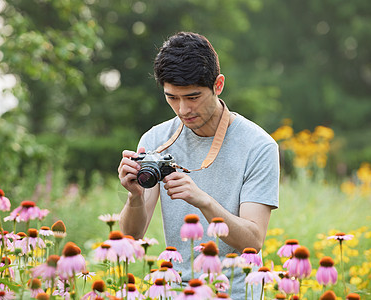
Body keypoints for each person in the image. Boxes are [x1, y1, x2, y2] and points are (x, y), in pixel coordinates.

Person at [118, 32, 279, 298]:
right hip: (173, 290)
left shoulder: (258, 146)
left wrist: (203, 201)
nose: (183, 110)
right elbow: (132, 237)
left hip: (234, 293)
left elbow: (253, 240)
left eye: (193, 97)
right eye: (172, 98)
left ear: (218, 85)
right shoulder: (155, 140)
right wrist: (134, 197)